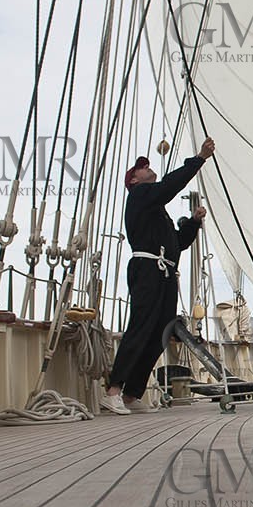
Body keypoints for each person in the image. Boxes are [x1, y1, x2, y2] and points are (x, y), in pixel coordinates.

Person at [101, 138, 215, 414]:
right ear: (134, 181)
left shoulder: (156, 211)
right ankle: (113, 390)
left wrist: (194, 223)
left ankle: (131, 395)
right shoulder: (140, 196)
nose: (147, 167)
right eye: (141, 168)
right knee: (141, 326)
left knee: (160, 333)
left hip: (164, 273)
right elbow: (168, 187)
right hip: (147, 270)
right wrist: (197, 159)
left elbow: (177, 243)